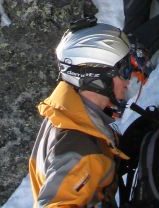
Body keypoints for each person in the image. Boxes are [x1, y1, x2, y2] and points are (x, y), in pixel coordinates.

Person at [29, 19, 146, 208]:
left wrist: (115, 155)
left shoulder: (66, 116)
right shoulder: (81, 147)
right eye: (124, 69)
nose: (129, 78)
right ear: (98, 78)